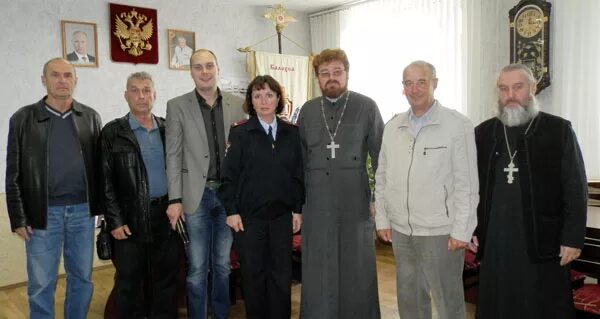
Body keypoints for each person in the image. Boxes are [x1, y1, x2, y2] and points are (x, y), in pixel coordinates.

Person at [474, 63, 587, 319]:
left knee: (540, 305)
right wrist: (474, 227)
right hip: (496, 240)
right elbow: (473, 188)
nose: (510, 95)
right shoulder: (483, 133)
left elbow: (575, 188)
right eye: (503, 88)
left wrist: (572, 238)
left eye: (518, 87)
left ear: (533, 88)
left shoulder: (558, 130)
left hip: (542, 238)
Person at [375, 60, 478, 319]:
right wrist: (383, 218)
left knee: (448, 301)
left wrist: (462, 230)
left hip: (440, 231)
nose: (415, 89)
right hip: (402, 230)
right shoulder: (393, 127)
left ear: (435, 83)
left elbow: (467, 183)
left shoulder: (457, 124)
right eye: (408, 83)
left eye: (421, 82)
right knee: (409, 299)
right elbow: (382, 176)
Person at [5, 57, 102, 319]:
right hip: (42, 215)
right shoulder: (24, 118)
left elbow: (99, 169)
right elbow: (12, 173)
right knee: (40, 283)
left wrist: (100, 209)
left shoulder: (90, 117)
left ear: (75, 80)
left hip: (83, 213)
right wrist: (18, 217)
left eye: (67, 75)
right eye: (55, 75)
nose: (62, 80)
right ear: (44, 80)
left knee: (82, 278)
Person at [297, 48, 384, 318]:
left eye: (337, 72)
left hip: (354, 198)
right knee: (318, 265)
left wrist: (377, 198)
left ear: (347, 73)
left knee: (356, 263)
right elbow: (298, 162)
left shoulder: (367, 106)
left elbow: (381, 155)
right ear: (317, 78)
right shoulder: (308, 111)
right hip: (316, 200)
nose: (331, 78)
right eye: (325, 73)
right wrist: (296, 206)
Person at [165, 48, 246, 319]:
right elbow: (173, 154)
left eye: (209, 65)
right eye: (198, 67)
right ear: (191, 72)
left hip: (228, 197)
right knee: (197, 268)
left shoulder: (238, 104)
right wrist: (174, 199)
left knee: (223, 265)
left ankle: (221, 315)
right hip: (194, 197)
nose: (204, 72)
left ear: (218, 68)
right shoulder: (177, 106)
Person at [219, 75, 304, 319]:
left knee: (281, 276)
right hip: (248, 220)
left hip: (281, 218)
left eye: (269, 95)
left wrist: (297, 209)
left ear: (279, 99)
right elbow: (229, 178)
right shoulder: (241, 133)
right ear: (251, 101)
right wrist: (232, 211)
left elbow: (298, 175)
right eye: (258, 96)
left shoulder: (292, 133)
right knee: (253, 277)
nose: (264, 100)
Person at [100, 72, 179, 318]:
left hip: (166, 216)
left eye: (146, 90)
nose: (141, 96)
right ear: (126, 95)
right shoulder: (113, 132)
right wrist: (115, 220)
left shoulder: (169, 129)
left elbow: (182, 171)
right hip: (129, 219)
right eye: (135, 90)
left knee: (165, 281)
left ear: (154, 95)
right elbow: (105, 181)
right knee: (129, 282)